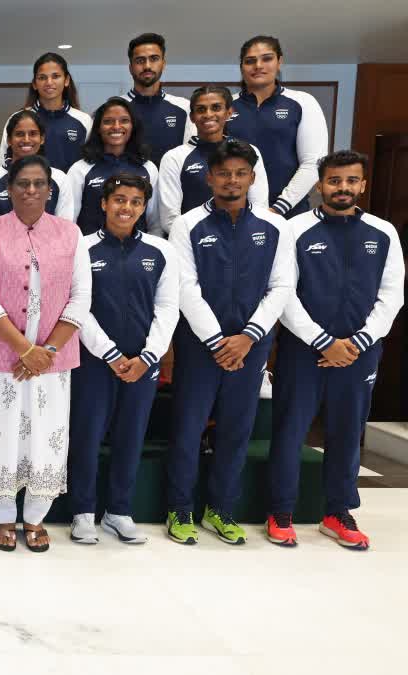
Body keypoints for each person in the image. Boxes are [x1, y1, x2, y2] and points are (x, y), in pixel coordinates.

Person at [267, 151, 404, 550]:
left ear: (363, 185)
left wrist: (359, 342)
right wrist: (323, 341)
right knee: (290, 432)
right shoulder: (294, 230)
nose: (342, 188)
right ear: (319, 185)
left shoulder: (383, 232)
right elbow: (283, 292)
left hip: (361, 353)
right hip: (303, 351)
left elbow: (391, 296)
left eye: (351, 181)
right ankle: (281, 512)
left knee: (347, 434)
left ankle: (338, 512)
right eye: (334, 181)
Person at [165, 138, 294, 546]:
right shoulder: (187, 225)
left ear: (253, 178)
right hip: (201, 344)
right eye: (223, 173)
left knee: (236, 430)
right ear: (210, 178)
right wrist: (219, 340)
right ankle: (180, 509)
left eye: (240, 174)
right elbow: (185, 287)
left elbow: (282, 286)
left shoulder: (275, 227)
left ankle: (220, 509)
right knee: (187, 428)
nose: (232, 181)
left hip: (251, 346)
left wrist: (248, 337)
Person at [0, 154, 91, 553]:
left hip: (53, 361)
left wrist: (46, 351)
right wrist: (24, 349)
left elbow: (81, 297)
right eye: (22, 184)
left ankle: (34, 517)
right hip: (1, 356)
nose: (31, 190)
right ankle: (2, 517)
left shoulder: (71, 234)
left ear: (50, 190)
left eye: (38, 184)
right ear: (9, 190)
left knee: (47, 437)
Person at [67, 173, 178, 545]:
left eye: (134, 201)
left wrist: (148, 356)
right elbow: (77, 307)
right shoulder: (81, 248)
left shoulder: (161, 251)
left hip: (143, 363)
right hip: (95, 360)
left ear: (144, 206)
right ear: (103, 204)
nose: (125, 207)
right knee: (87, 435)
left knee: (131, 436)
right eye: (118, 200)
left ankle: (119, 510)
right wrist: (110, 353)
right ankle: (82, 511)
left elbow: (167, 308)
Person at [227, 35, 329, 218]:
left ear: (279, 61)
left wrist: (278, 209)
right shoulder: (225, 106)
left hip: (289, 213)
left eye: (267, 58)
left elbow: (313, 163)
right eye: (250, 61)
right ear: (241, 67)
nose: (258, 65)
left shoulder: (303, 102)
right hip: (234, 213)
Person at [157, 86, 269, 236]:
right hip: (193, 244)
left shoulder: (250, 152)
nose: (208, 114)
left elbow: (259, 208)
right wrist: (204, 242)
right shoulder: (174, 157)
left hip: (242, 240)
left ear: (229, 112)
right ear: (192, 117)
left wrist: (238, 240)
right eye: (201, 109)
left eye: (216, 108)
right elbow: (170, 219)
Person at [67, 97, 159, 235]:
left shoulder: (148, 167)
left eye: (124, 121)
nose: (116, 126)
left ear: (133, 126)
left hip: (137, 253)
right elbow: (69, 222)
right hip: (90, 252)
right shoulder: (80, 169)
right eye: (108, 121)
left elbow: (155, 223)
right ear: (98, 128)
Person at [0, 108, 74, 225]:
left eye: (33, 134)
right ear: (9, 140)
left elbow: (65, 228)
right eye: (19, 134)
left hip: (49, 243)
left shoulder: (60, 179)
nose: (26, 140)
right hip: (1, 243)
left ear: (42, 139)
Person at [10, 53, 91, 173]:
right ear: (34, 84)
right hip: (29, 190)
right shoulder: (18, 119)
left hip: (72, 191)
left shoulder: (84, 120)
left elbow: (90, 165)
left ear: (66, 80)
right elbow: (5, 163)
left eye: (56, 76)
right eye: (42, 77)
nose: (49, 82)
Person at [124, 33, 193, 164]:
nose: (147, 66)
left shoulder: (184, 107)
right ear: (130, 67)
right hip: (128, 183)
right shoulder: (115, 108)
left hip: (172, 184)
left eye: (154, 59)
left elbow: (191, 155)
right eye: (140, 60)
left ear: (163, 64)